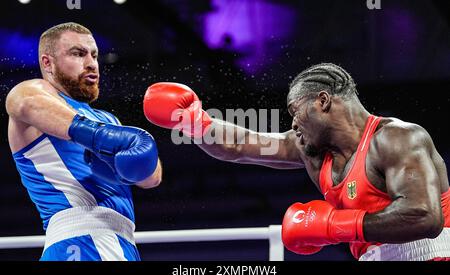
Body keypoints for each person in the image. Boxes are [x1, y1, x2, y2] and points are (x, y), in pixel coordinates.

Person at [142, 63, 450, 261]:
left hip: (430, 254)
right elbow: (239, 145)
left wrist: (333, 227)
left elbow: (424, 217)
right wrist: (195, 122)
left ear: (323, 101)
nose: (293, 125)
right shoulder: (313, 151)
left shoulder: (397, 137)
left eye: (295, 111)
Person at [5, 22, 162, 261]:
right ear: (48, 63)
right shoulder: (39, 95)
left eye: (94, 55)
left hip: (122, 243)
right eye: (78, 54)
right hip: (80, 240)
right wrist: (100, 138)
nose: (91, 63)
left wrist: (140, 148)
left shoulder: (108, 119)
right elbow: (21, 100)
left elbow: (152, 178)